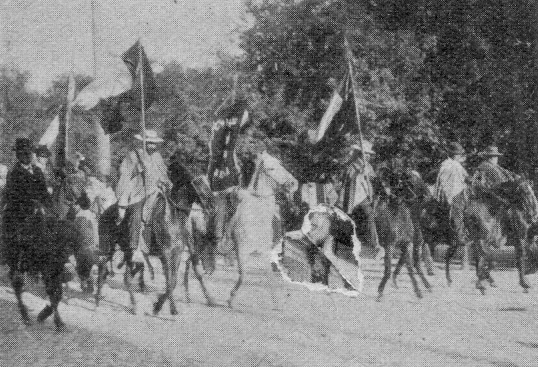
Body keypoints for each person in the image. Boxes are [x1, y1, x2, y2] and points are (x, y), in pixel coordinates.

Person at [115, 129, 171, 254]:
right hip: (138, 191)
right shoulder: (133, 154)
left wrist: (165, 181)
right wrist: (139, 168)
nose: (152, 145)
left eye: (154, 143)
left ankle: (163, 242)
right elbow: (125, 173)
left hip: (156, 191)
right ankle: (134, 247)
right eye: (149, 142)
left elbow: (163, 173)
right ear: (143, 142)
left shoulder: (157, 156)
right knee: (136, 213)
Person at [2, 138, 52, 265]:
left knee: (53, 225)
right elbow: (13, 194)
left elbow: (44, 191)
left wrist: (48, 205)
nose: (26, 155)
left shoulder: (38, 171)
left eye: (29, 153)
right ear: (18, 155)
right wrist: (31, 203)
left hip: (39, 208)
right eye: (23, 153)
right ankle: (14, 260)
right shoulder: (13, 173)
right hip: (19, 210)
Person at [338, 141, 382, 255]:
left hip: (363, 196)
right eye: (365, 153)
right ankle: (337, 243)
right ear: (359, 153)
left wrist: (371, 177)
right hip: (351, 195)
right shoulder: (352, 164)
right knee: (344, 218)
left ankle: (375, 245)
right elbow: (347, 176)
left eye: (368, 154)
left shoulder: (369, 166)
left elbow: (373, 178)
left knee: (370, 216)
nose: (367, 156)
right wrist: (359, 170)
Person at [73, 191, 98, 293]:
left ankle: (84, 282)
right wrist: (95, 243)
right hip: (90, 244)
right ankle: (89, 282)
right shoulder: (91, 215)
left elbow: (75, 231)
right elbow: (95, 230)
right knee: (88, 264)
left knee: (80, 263)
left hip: (81, 244)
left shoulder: (78, 217)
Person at [434, 142, 468, 206]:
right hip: (454, 195)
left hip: (443, 196)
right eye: (459, 154)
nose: (460, 156)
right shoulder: (456, 165)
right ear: (455, 155)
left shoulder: (444, 164)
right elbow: (466, 176)